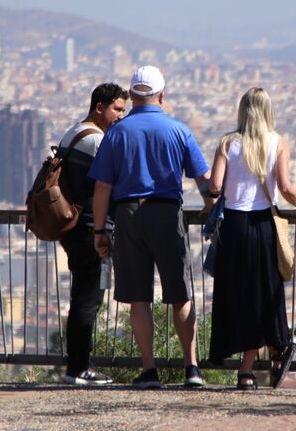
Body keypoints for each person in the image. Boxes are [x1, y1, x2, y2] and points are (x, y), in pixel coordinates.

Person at [89, 65, 211, 389]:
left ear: (130, 96)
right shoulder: (178, 130)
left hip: (128, 214)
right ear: (162, 95)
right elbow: (204, 180)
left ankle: (149, 370)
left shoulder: (117, 133)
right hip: (167, 213)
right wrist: (213, 207)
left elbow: (102, 188)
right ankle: (192, 368)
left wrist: (99, 231)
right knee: (180, 294)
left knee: (138, 298)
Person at [206, 87, 296, 390]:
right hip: (264, 225)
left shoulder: (228, 143)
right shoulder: (277, 142)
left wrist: (214, 197)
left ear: (242, 110)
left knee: (233, 293)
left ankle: (260, 356)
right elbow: (287, 187)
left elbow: (214, 185)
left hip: (233, 227)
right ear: (268, 110)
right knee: (264, 292)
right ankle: (254, 365)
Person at [58, 83, 128, 385]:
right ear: (99, 107)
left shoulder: (72, 132)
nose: (120, 117)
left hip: (72, 226)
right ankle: (79, 367)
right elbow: (115, 181)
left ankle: (76, 365)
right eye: (117, 109)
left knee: (81, 296)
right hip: (90, 229)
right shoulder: (98, 141)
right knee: (89, 298)